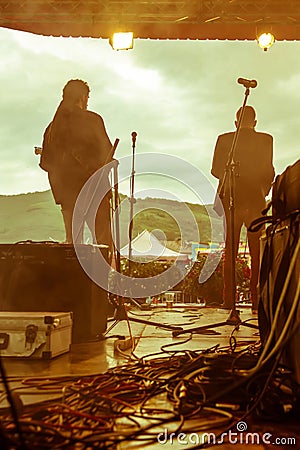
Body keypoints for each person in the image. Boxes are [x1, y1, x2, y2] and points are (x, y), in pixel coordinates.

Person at [211, 105, 275, 311]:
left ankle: (228, 301)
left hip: (233, 198)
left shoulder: (224, 139)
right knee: (258, 253)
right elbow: (269, 171)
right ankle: (257, 301)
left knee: (230, 250)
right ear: (255, 123)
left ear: (235, 122)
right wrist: (263, 189)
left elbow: (215, 170)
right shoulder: (266, 140)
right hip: (256, 200)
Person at [40, 79, 115, 249]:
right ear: (82, 97)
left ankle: (72, 276)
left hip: (67, 198)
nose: (87, 102)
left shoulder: (52, 128)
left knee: (72, 247)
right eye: (87, 98)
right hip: (95, 191)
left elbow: (45, 163)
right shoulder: (93, 120)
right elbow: (106, 153)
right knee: (104, 245)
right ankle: (103, 276)